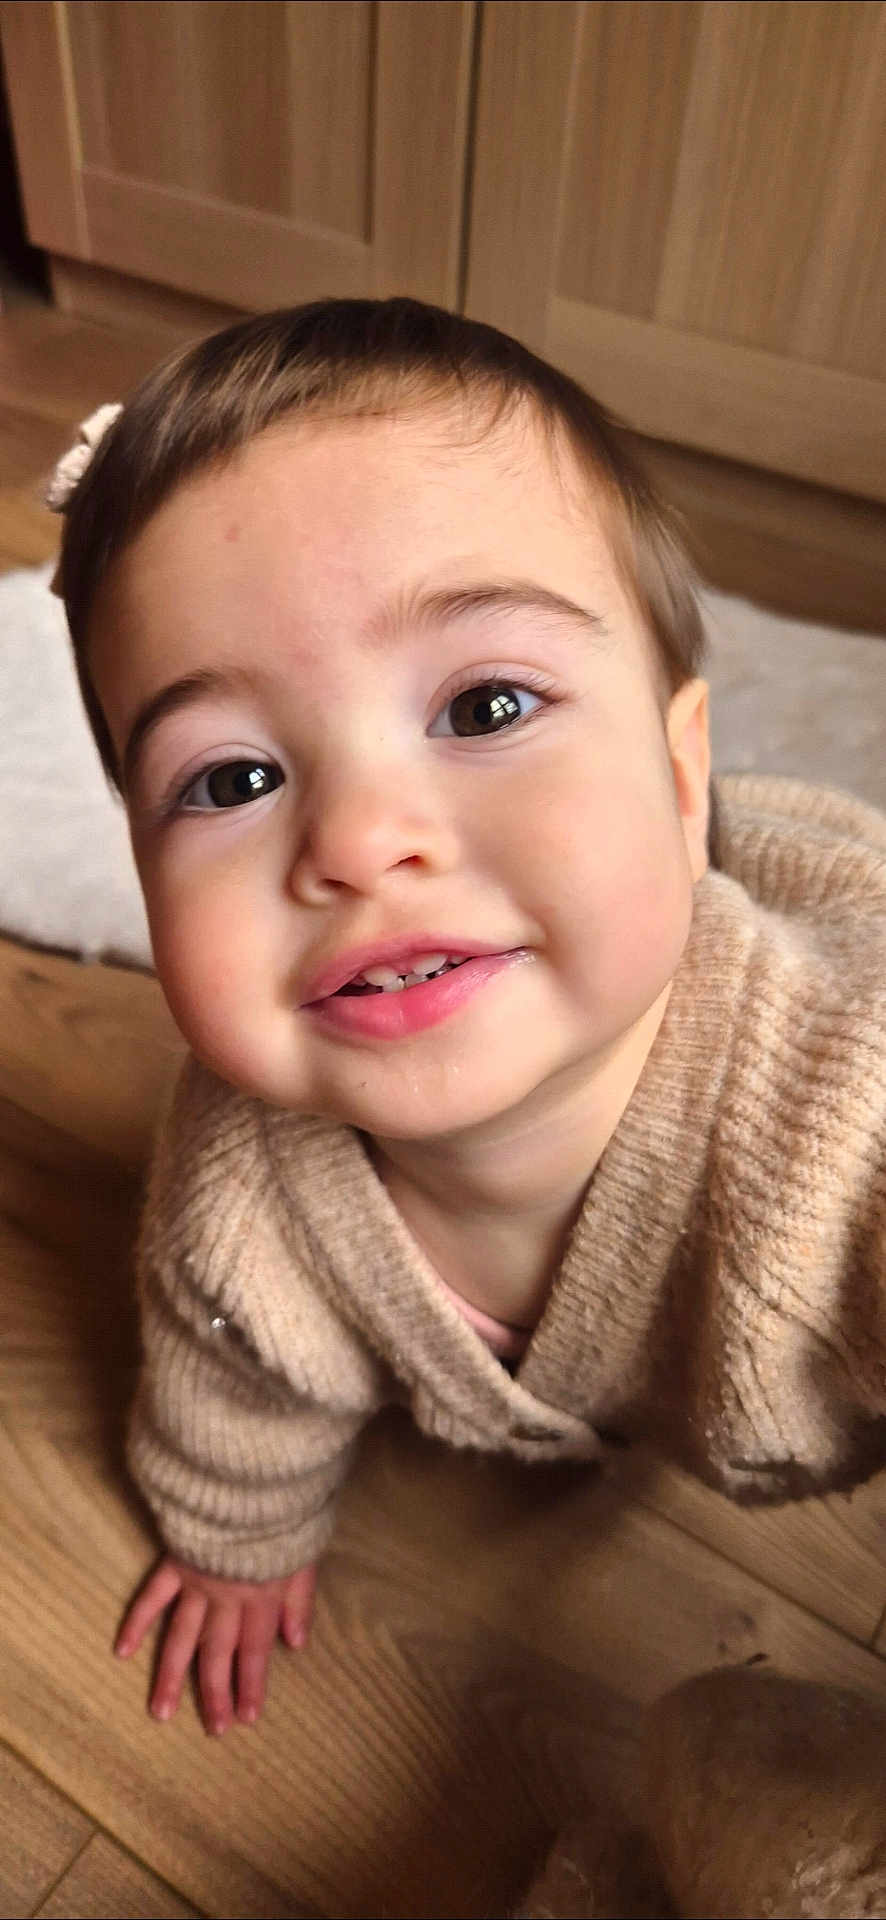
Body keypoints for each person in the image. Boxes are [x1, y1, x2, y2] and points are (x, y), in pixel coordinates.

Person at [46, 298, 886, 1744]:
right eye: (231, 780)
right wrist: (233, 1536)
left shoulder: (841, 1115)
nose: (361, 841)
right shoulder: (241, 1192)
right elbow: (227, 1376)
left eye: (487, 702)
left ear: (686, 781)